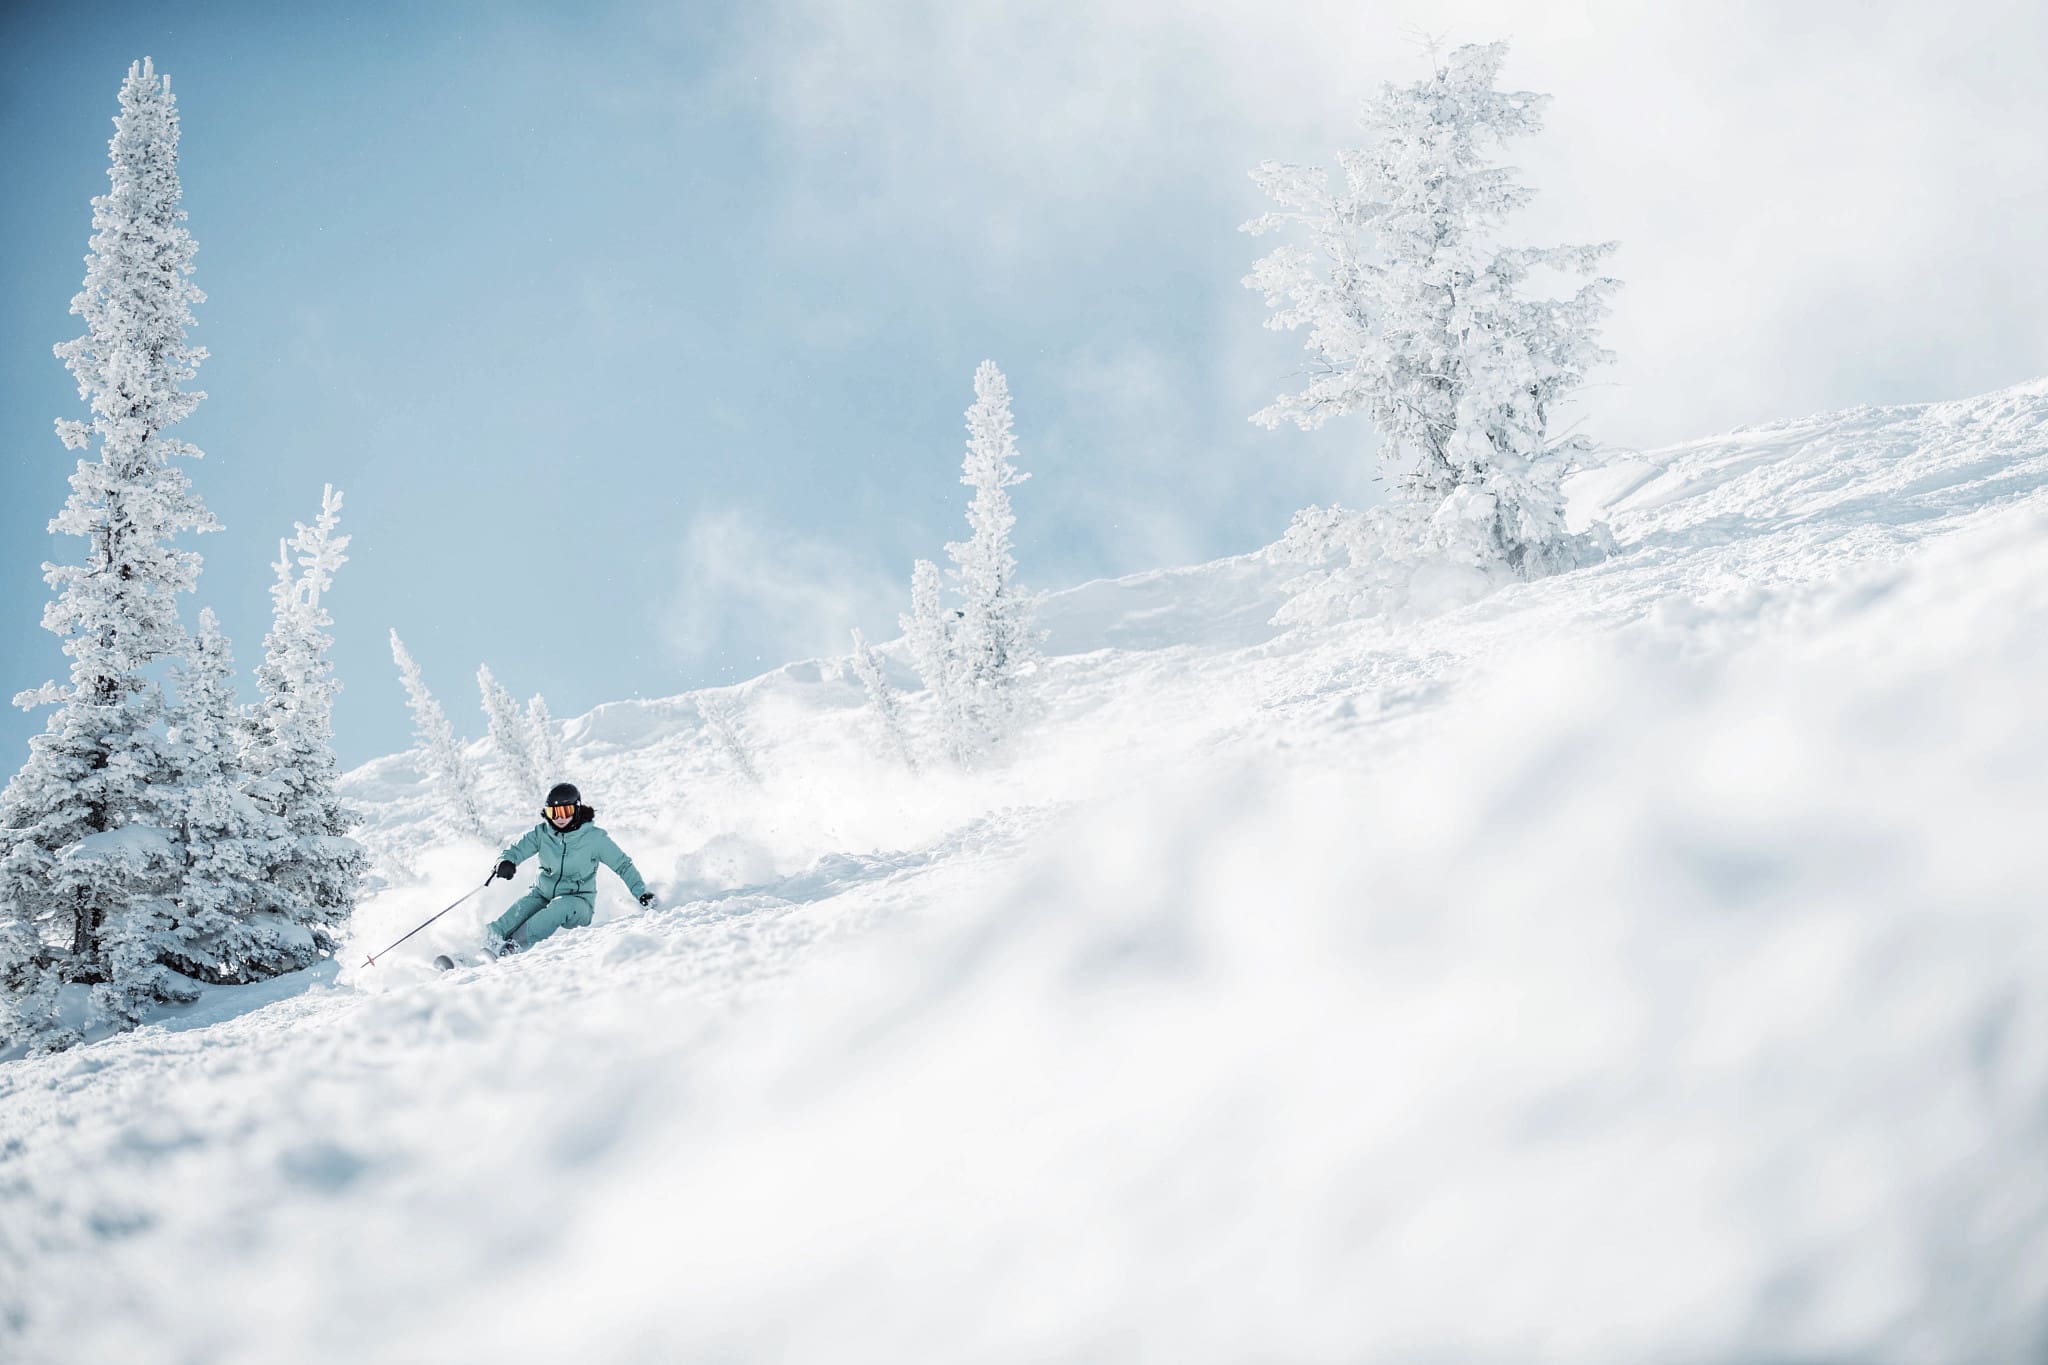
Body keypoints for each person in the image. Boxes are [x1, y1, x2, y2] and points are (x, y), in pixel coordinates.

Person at [486, 782, 654, 954]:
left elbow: (623, 865)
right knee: (519, 910)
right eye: (554, 812)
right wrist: (506, 862)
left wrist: (641, 892)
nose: (559, 818)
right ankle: (483, 943)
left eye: (566, 811)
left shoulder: (595, 838)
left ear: (577, 809)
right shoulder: (542, 833)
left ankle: (513, 946)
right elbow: (516, 850)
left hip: (578, 902)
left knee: (558, 907)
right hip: (543, 893)